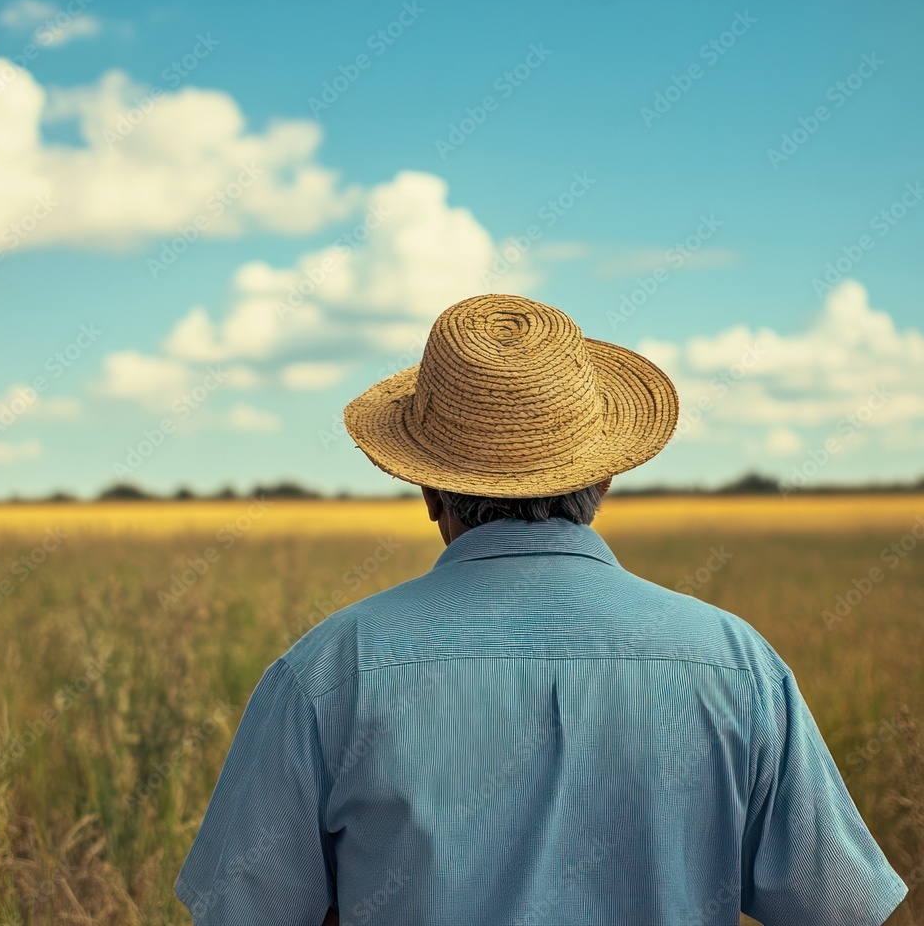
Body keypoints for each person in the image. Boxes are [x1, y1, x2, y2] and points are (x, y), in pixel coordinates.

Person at [174, 294, 910, 925]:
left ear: (428, 489)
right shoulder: (736, 665)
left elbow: (243, 909)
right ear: (605, 477)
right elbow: (840, 908)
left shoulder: (328, 674)